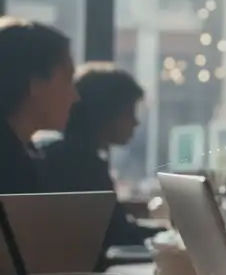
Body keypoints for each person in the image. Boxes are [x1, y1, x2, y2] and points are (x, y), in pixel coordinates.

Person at [38, 63, 159, 245]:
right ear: (104, 114)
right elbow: (117, 235)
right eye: (128, 113)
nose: (135, 122)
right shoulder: (81, 164)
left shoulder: (67, 153)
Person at [0, 17, 78, 195]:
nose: (75, 96)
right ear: (35, 84)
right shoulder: (9, 165)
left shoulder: (25, 153)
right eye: (68, 80)